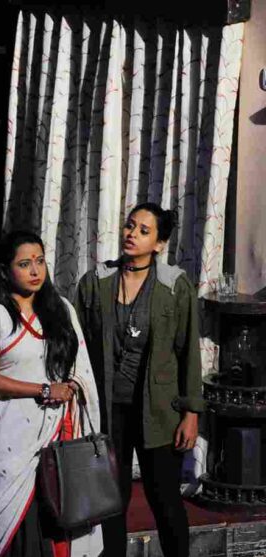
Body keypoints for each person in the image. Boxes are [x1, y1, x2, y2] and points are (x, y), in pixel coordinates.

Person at [74, 203, 201, 557]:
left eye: (144, 231)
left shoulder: (174, 286)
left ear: (159, 244)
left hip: (159, 412)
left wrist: (191, 412)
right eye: (130, 226)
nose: (132, 234)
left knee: (165, 497)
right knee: (111, 500)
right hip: (107, 410)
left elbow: (189, 352)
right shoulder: (96, 282)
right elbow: (76, 344)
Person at [0, 230, 103, 557]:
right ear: (5, 271)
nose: (35, 271)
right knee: (15, 528)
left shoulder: (61, 309)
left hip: (58, 434)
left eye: (40, 261)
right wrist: (44, 390)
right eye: (24, 264)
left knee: (58, 518)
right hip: (10, 438)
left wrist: (72, 386)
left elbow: (80, 368)